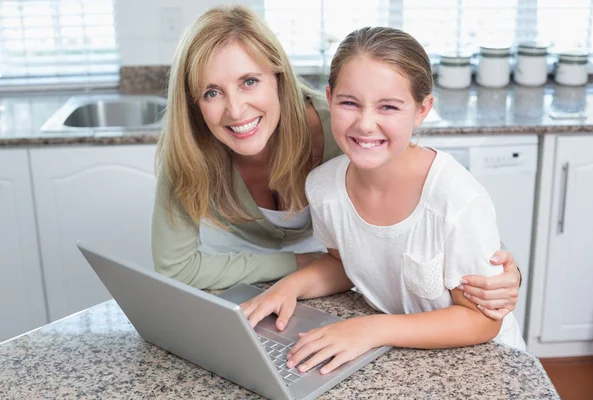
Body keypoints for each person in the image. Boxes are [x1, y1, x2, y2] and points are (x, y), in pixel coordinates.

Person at [151, 5, 521, 319]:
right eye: (212, 92)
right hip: (304, 274)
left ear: (279, 79)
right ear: (194, 104)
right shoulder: (189, 148)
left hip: (340, 273)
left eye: (249, 81)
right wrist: (296, 268)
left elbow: (443, 216)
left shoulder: (347, 132)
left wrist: (507, 273)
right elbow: (176, 268)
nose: (235, 109)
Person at [240, 26, 527, 375]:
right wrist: (290, 287)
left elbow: (481, 322)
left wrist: (371, 329)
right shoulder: (323, 188)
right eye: (349, 103)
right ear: (329, 99)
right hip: (403, 358)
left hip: (483, 365)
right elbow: (344, 264)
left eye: (388, 107)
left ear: (422, 110)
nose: (365, 123)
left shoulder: (456, 199)